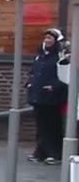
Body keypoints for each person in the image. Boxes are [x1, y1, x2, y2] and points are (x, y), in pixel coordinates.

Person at [28, 28, 67, 163]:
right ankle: (41, 151)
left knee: (52, 126)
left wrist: (54, 87)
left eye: (50, 38)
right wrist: (30, 83)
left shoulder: (60, 57)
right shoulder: (40, 56)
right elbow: (33, 71)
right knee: (41, 126)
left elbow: (65, 75)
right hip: (38, 97)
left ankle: (54, 153)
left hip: (52, 98)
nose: (47, 40)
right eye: (46, 38)